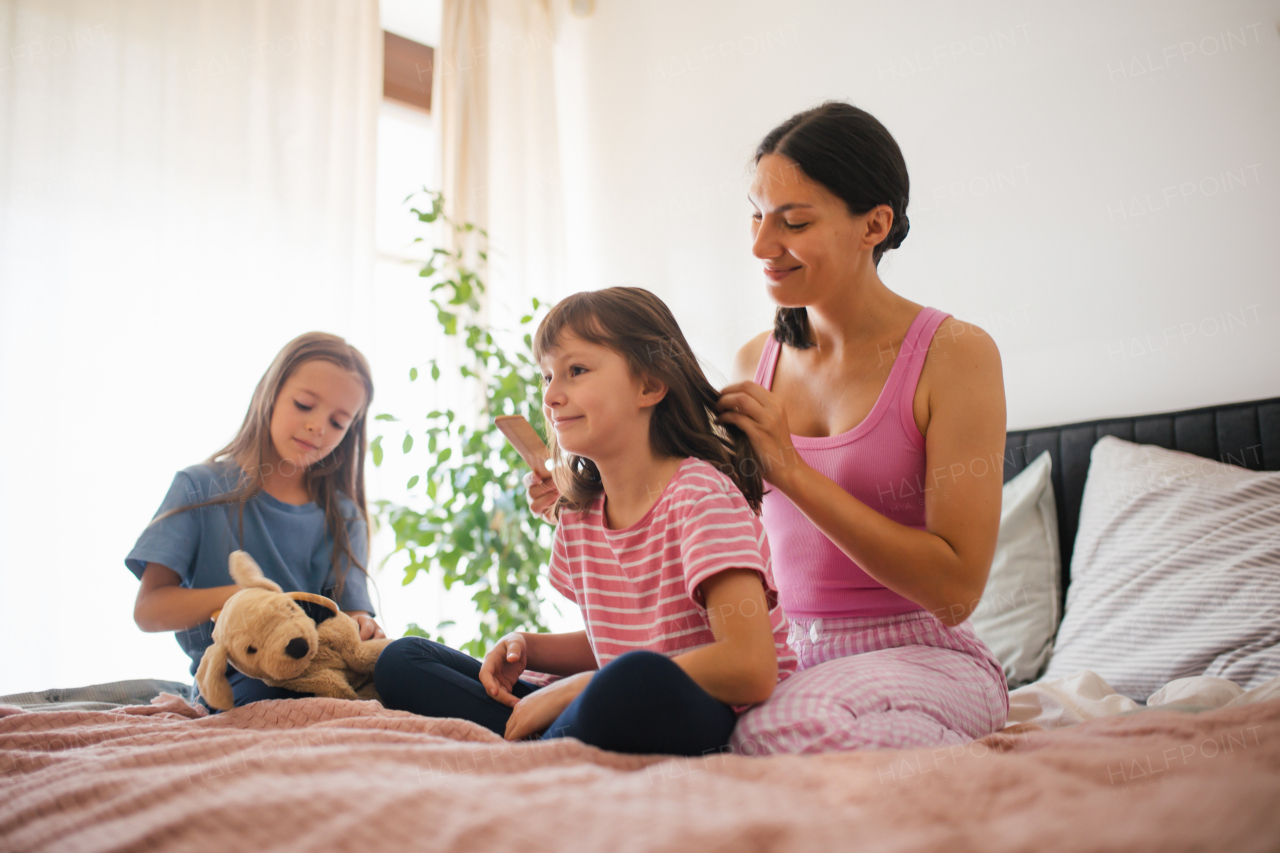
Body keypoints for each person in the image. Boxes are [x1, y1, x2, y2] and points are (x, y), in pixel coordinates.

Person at [528, 103, 1009, 755]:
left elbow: (955, 592)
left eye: (794, 221)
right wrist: (578, 488)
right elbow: (700, 504)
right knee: (718, 721)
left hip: (923, 652)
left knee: (770, 732)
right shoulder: (759, 359)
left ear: (875, 224)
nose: (759, 245)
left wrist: (792, 472)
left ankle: (952, 762)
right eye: (757, 214)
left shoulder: (956, 355)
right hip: (790, 654)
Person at [375, 287, 797, 756]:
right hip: (613, 694)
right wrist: (527, 646)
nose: (552, 395)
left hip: (685, 704)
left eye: (576, 371)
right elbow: (616, 637)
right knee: (402, 659)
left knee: (633, 677)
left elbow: (751, 666)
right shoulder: (580, 515)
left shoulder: (700, 497)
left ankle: (539, 742)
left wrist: (578, 687)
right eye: (547, 376)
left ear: (649, 386)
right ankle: (539, 740)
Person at [127, 332, 386, 711]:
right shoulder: (199, 488)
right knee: (276, 697)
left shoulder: (345, 517)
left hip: (327, 669)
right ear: (271, 393)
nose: (318, 427)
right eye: (303, 404)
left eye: (338, 422)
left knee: (405, 660)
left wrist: (364, 627)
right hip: (242, 677)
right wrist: (240, 599)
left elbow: (353, 615)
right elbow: (148, 610)